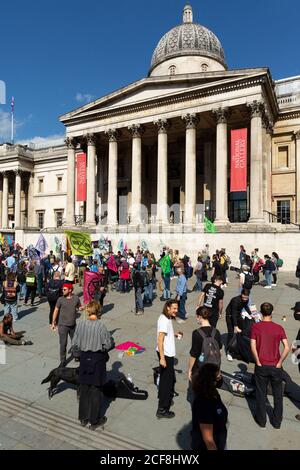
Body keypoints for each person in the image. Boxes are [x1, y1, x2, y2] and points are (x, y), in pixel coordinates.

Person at [72, 301, 114, 430]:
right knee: (96, 390)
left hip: (84, 359)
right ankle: (94, 420)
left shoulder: (80, 325)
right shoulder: (101, 326)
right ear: (98, 311)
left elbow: (75, 344)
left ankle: (83, 418)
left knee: (84, 388)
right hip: (97, 360)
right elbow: (107, 345)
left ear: (88, 311)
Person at [250, 302, 290, 429]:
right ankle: (277, 422)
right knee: (278, 395)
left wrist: (257, 361)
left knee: (261, 393)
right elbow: (287, 348)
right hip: (275, 366)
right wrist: (279, 362)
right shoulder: (279, 328)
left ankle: (261, 420)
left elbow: (252, 346)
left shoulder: (256, 327)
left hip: (261, 365)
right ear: (272, 312)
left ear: (261, 313)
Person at [191, 364, 228, 451]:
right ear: (211, 380)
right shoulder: (204, 404)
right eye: (219, 376)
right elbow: (208, 440)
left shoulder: (212, 393)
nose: (221, 377)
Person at [156, 300, 181, 419]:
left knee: (168, 380)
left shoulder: (166, 318)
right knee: (167, 383)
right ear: (168, 308)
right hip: (165, 355)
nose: (176, 310)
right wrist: (162, 358)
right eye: (174, 308)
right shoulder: (164, 320)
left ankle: (164, 400)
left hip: (166, 354)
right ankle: (162, 409)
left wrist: (174, 334)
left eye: (177, 308)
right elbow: (160, 340)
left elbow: (165, 335)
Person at [51, 283, 83, 366]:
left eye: (64, 289)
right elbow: (56, 310)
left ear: (70, 290)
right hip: (62, 325)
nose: (62, 290)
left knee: (75, 341)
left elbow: (79, 306)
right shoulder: (60, 299)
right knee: (63, 343)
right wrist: (53, 322)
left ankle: (76, 355)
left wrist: (81, 308)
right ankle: (63, 360)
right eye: (62, 289)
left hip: (73, 325)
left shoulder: (76, 298)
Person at [188, 306, 222, 381]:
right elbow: (220, 352)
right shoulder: (216, 332)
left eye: (196, 317)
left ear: (199, 317)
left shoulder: (196, 333)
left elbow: (193, 354)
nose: (196, 319)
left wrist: (190, 370)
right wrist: (218, 369)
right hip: (213, 367)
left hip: (200, 368)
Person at [225, 289, 252, 362]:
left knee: (243, 331)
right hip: (230, 316)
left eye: (246, 298)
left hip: (238, 315)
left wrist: (252, 314)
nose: (245, 299)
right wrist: (236, 326)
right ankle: (228, 352)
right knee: (231, 333)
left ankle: (240, 348)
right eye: (243, 297)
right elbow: (233, 313)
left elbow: (245, 306)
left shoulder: (246, 299)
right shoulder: (235, 300)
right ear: (241, 294)